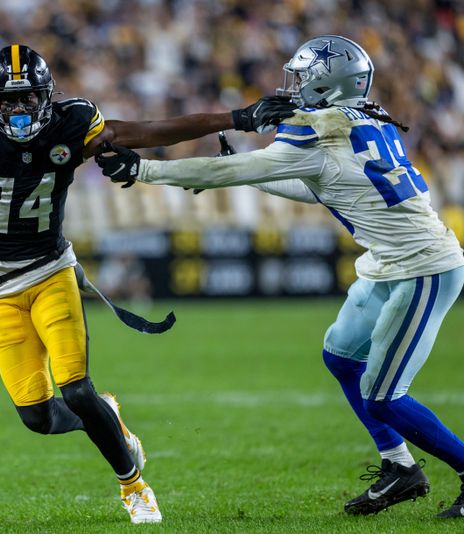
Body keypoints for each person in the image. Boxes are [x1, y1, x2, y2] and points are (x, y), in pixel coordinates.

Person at [0, 44, 294, 524]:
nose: (20, 110)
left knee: (76, 389)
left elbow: (146, 132)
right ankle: (106, 414)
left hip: (50, 272)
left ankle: (134, 486)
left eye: (29, 99)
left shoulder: (73, 122)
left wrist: (236, 117)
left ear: (47, 96)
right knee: (38, 418)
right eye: (9, 100)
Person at [96, 34, 464, 519]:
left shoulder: (321, 129)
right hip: (387, 260)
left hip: (422, 267)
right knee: (342, 358)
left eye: (304, 75)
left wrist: (144, 170)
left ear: (328, 82)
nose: (295, 84)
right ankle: (399, 467)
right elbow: (319, 186)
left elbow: (229, 173)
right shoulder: (364, 118)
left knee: (383, 395)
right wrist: (244, 170)